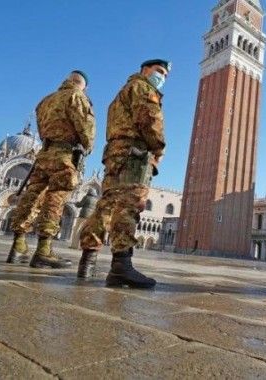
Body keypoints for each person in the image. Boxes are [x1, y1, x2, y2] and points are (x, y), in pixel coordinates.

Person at [77, 59, 170, 288]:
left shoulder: (121, 92)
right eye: (159, 71)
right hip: (135, 154)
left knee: (105, 206)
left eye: (165, 75)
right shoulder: (143, 88)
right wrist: (159, 149)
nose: (162, 77)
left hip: (114, 153)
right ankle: (121, 265)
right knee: (129, 206)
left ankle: (87, 260)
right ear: (144, 70)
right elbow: (151, 123)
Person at [4, 70, 95, 268]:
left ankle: (18, 247)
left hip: (43, 154)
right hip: (63, 154)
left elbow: (42, 129)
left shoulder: (45, 100)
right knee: (56, 197)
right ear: (83, 85)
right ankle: (44, 250)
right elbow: (86, 131)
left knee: (32, 196)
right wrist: (87, 147)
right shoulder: (77, 97)